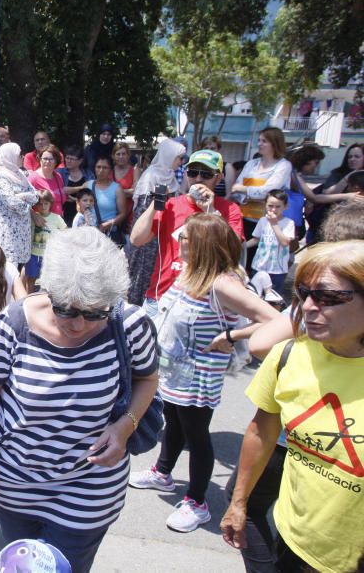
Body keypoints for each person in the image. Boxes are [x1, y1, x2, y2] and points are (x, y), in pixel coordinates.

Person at [0, 226, 159, 572]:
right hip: (16, 481)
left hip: (89, 486)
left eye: (95, 313)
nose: (79, 325)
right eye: (67, 310)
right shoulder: (12, 325)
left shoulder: (130, 324)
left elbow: (148, 378)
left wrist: (124, 427)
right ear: (49, 289)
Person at [128, 214, 279, 533]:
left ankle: (198, 502)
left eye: (186, 239)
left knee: (197, 436)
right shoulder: (191, 272)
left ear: (203, 245)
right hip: (172, 373)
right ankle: (163, 472)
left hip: (198, 379)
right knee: (172, 426)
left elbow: (274, 319)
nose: (179, 242)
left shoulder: (222, 283)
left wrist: (232, 337)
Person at [221, 241, 364, 573]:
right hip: (292, 541)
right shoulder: (288, 356)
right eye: (304, 293)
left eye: (329, 297)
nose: (310, 307)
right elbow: (262, 428)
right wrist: (239, 503)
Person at [129, 150, 244, 315]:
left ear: (219, 178)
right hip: (161, 297)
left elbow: (234, 250)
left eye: (206, 174)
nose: (198, 179)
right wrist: (155, 205)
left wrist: (211, 211)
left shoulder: (230, 210)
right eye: (192, 172)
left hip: (204, 302)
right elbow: (136, 239)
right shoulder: (172, 205)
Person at [126, 139, 187, 305]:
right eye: (179, 158)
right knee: (142, 272)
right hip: (149, 236)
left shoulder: (171, 176)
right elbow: (142, 211)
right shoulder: (151, 176)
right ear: (169, 156)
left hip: (165, 235)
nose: (181, 162)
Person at [231, 127, 292, 249]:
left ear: (274, 143)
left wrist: (245, 190)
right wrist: (250, 196)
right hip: (244, 219)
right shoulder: (251, 164)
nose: (259, 144)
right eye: (259, 140)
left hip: (269, 222)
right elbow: (235, 189)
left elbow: (269, 191)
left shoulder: (283, 166)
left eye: (264, 141)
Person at [0, 143, 38, 271]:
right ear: (9, 156)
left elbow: (36, 196)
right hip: (7, 231)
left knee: (18, 270)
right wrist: (23, 198)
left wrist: (19, 196)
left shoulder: (19, 173)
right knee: (7, 270)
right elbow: (13, 203)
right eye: (20, 154)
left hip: (22, 231)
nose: (23, 156)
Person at [245, 189, 295, 295]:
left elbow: (285, 242)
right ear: (265, 205)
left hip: (277, 269)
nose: (273, 209)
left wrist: (274, 224)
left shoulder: (289, 223)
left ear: (285, 206)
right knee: (255, 294)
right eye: (270, 206)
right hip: (259, 265)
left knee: (273, 297)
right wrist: (242, 246)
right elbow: (256, 239)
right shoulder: (263, 220)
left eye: (278, 206)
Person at [27, 190, 67, 290]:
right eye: (40, 204)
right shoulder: (33, 217)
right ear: (36, 205)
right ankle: (27, 300)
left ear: (51, 204)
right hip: (33, 254)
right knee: (31, 279)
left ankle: (49, 301)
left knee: (50, 280)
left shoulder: (56, 218)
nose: (43, 206)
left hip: (49, 255)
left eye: (46, 203)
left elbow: (66, 231)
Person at [85, 156, 127, 243]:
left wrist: (108, 224)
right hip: (89, 233)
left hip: (109, 233)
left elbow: (123, 214)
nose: (101, 170)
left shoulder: (117, 189)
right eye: (98, 167)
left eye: (105, 168)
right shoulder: (87, 185)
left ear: (110, 170)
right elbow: (79, 205)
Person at [59, 144, 93, 225]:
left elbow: (91, 193)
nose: (68, 161)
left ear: (80, 161)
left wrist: (74, 200)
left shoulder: (88, 174)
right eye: (67, 158)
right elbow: (62, 191)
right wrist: (81, 187)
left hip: (83, 214)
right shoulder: (60, 173)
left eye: (72, 159)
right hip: (64, 213)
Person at [28, 145, 68, 213]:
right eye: (45, 158)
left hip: (58, 221)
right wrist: (34, 216)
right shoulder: (33, 178)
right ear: (40, 160)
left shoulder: (58, 177)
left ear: (56, 161)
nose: (47, 161)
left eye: (51, 159)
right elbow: (26, 203)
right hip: (42, 222)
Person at [112, 141, 141, 222]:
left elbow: (136, 192)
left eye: (123, 154)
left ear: (128, 155)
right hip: (111, 215)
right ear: (113, 156)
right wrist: (127, 192)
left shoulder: (135, 170)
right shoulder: (109, 170)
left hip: (130, 214)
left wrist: (114, 193)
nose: (121, 156)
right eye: (118, 154)